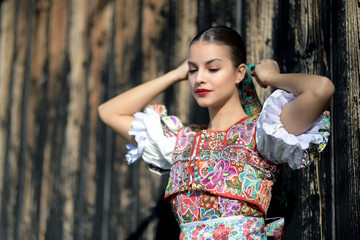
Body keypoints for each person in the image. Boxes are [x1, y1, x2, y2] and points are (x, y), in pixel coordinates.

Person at [98, 26, 334, 239]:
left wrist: (271, 77)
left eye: (212, 68)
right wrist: (176, 74)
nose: (199, 79)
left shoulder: (263, 133)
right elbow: (109, 112)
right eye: (193, 70)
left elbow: (321, 89)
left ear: (239, 73)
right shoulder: (182, 141)